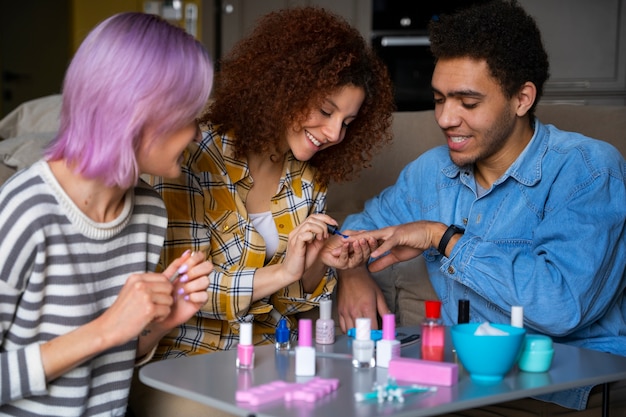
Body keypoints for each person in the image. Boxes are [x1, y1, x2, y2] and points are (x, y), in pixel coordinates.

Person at [333, 0, 626, 414]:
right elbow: (354, 230)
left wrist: (444, 237)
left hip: (562, 392)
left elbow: (561, 306)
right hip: (460, 384)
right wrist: (353, 271)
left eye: (468, 103)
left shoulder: (588, 171)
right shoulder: (431, 173)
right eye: (438, 99)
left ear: (522, 98)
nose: (446, 118)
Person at [148, 6, 394, 359]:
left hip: (272, 354)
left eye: (348, 121)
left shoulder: (309, 176)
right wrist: (283, 271)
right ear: (286, 89)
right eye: (326, 111)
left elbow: (291, 303)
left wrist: (320, 258)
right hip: (193, 355)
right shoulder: (193, 154)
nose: (334, 133)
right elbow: (186, 291)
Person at [0, 12, 214, 416]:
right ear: (141, 116)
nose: (197, 135)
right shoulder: (24, 211)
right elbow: (105, 335)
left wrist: (163, 322)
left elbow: (114, 358)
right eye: (190, 117)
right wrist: (105, 329)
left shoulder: (149, 212)